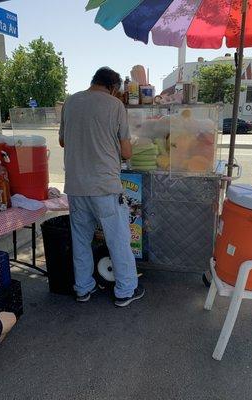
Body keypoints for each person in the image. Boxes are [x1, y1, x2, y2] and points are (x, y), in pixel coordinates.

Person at [59, 67, 145, 307]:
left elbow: (63, 141)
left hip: (76, 186)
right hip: (105, 186)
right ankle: (125, 291)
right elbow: (127, 152)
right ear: (114, 88)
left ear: (93, 81)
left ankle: (83, 289)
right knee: (118, 239)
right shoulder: (115, 105)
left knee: (81, 239)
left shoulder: (70, 102)